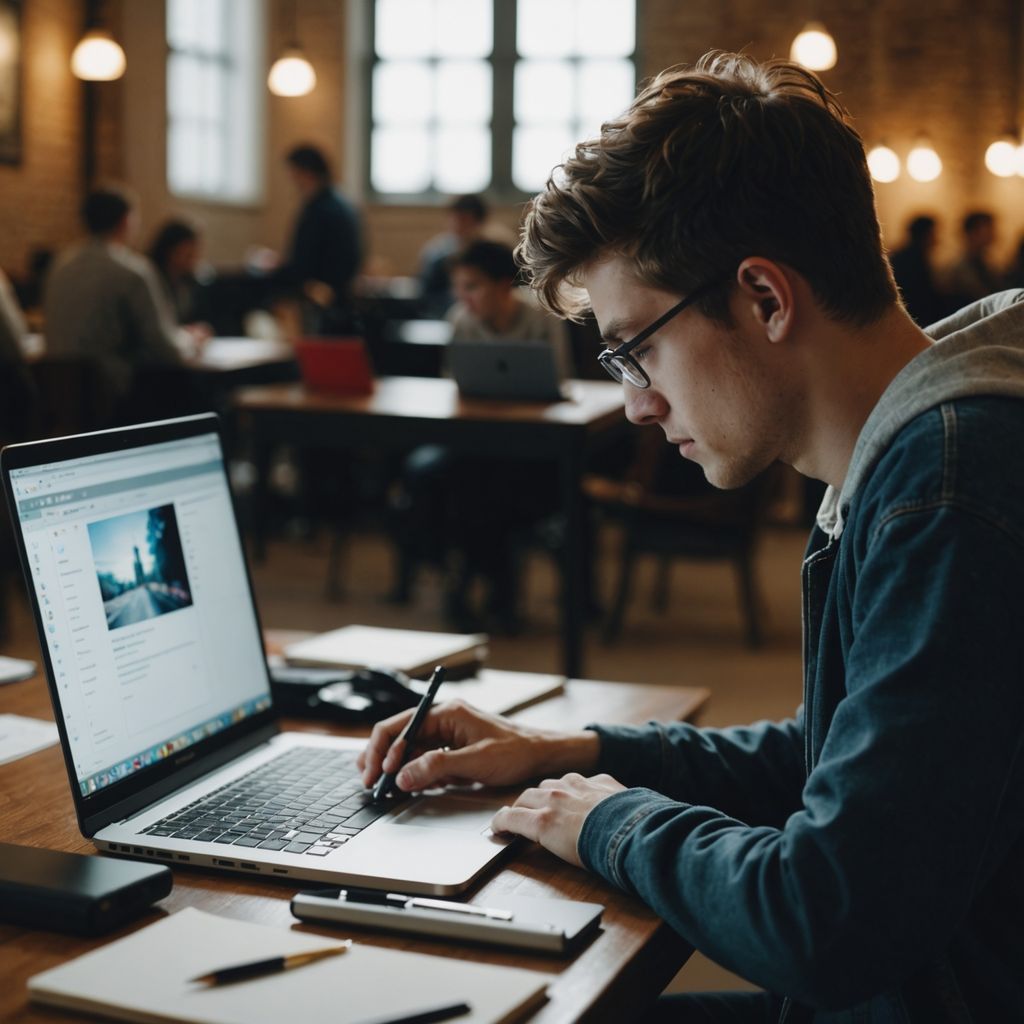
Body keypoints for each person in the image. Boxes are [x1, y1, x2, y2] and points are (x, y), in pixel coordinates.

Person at [360, 52, 1024, 1022]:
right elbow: (838, 752)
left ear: (764, 297)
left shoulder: (950, 486)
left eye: (636, 347)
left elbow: (824, 917)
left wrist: (608, 821)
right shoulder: (918, 449)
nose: (633, 402)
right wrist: (565, 753)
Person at [44, 185, 184, 398]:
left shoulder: (59, 265)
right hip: (110, 395)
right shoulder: (132, 270)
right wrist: (190, 342)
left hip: (56, 392)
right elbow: (165, 349)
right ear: (126, 221)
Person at [267, 143, 363, 333]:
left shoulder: (318, 209)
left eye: (292, 173)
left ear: (305, 172)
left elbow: (303, 262)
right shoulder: (343, 204)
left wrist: (278, 268)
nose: (292, 181)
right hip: (343, 296)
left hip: (319, 297)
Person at [446, 240, 572, 376]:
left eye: (471, 287)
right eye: (457, 287)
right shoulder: (460, 321)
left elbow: (559, 374)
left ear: (504, 287)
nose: (461, 297)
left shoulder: (543, 317)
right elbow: (453, 375)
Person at [417, 193, 489, 317]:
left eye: (464, 219)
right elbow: (425, 291)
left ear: (478, 221)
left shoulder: (493, 250)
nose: (457, 224)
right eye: (453, 218)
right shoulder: (436, 251)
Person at [147, 217, 212, 338]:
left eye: (195, 253)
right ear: (169, 251)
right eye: (188, 254)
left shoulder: (186, 283)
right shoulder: (150, 279)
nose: (194, 259)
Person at [887, 214, 947, 326]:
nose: (938, 238)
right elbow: (922, 296)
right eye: (934, 233)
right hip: (914, 317)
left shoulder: (909, 254)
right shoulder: (913, 259)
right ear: (926, 234)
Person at [942, 209, 1000, 306]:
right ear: (973, 233)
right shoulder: (960, 267)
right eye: (989, 228)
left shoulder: (986, 262)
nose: (994, 233)